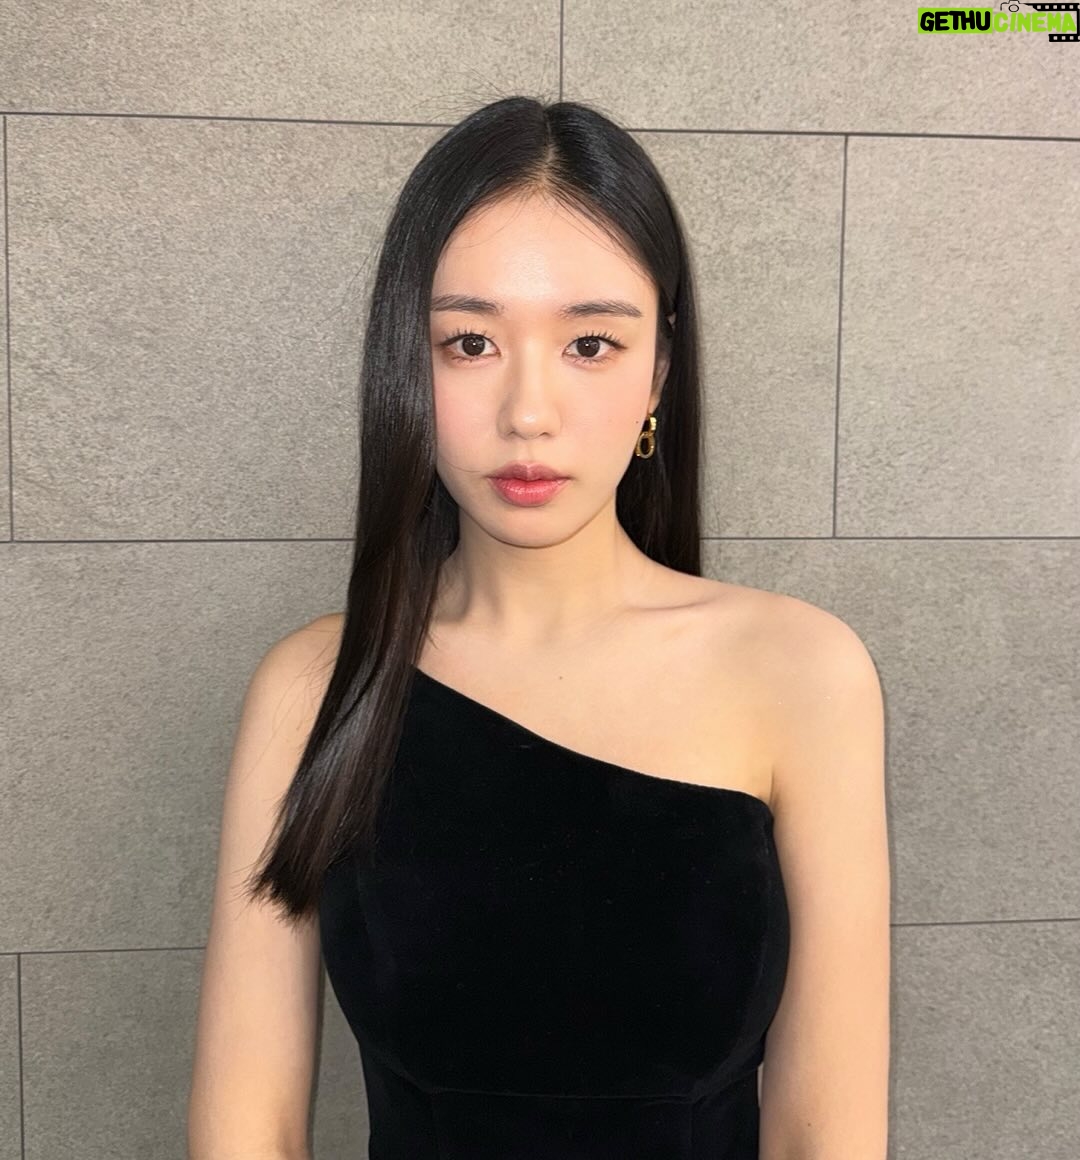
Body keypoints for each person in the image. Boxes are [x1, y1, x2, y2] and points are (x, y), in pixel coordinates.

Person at [188, 95, 891, 1160]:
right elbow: (249, 1129)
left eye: (591, 344)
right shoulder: (316, 686)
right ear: (406, 364)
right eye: (470, 342)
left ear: (659, 373)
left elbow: (824, 1132)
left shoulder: (801, 673)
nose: (528, 411)